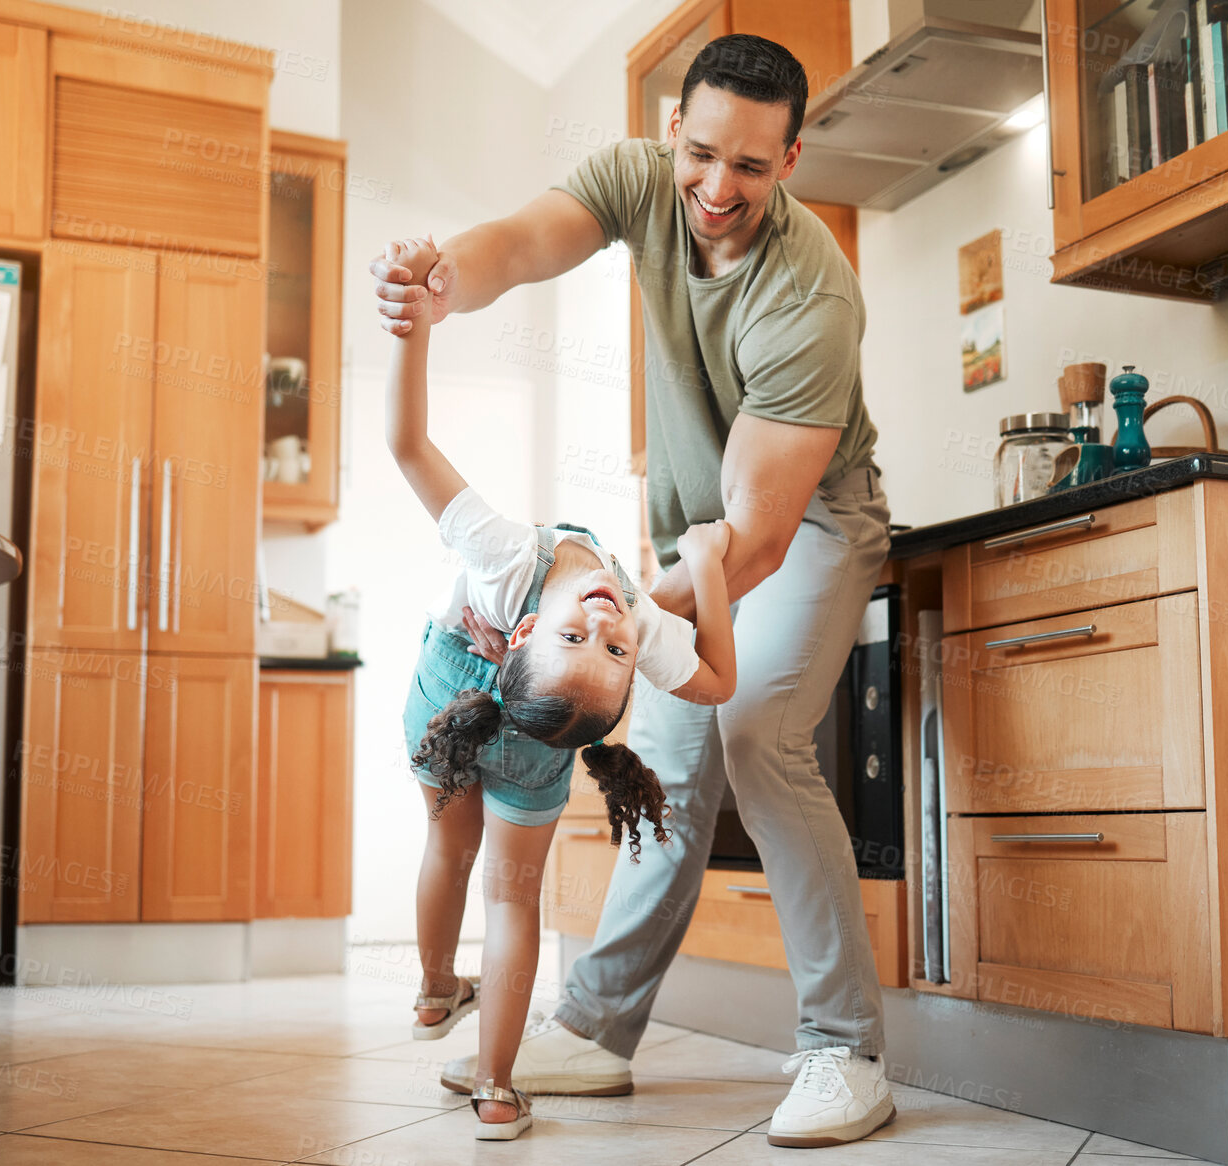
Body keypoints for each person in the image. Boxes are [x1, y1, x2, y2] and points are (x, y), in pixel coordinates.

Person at [370, 34, 896, 1148]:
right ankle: (597, 1028)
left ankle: (844, 1048)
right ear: (672, 132)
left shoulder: (810, 294)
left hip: (802, 527)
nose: (718, 187)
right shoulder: (638, 180)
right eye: (701, 153)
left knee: (755, 732)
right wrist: (442, 281)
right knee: (664, 762)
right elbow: (521, 242)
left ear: (791, 158)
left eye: (750, 166)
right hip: (684, 544)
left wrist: (606, 615)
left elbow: (752, 538)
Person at [383, 235, 737, 1140]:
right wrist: (706, 572)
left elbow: (407, 445)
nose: (607, 623)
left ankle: (436, 992)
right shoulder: (641, 621)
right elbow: (714, 683)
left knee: (453, 849)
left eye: (595, 641)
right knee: (508, 896)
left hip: (458, 704)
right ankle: (494, 1088)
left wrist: (413, 330)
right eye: (607, 645)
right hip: (505, 727)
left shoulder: (510, 560)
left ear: (528, 634)